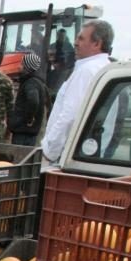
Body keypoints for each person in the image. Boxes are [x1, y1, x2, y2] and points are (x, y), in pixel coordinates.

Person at [41, 19, 114, 165]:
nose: (75, 42)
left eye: (81, 38)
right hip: (89, 153)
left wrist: (49, 152)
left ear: (96, 44)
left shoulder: (86, 71)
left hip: (66, 156)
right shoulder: (106, 68)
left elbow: (69, 115)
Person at [8, 52, 50, 146]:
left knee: (19, 156)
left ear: (27, 67)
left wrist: (29, 119)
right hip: (28, 131)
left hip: (23, 131)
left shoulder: (31, 83)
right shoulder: (37, 82)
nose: (19, 66)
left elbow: (33, 101)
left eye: (22, 64)